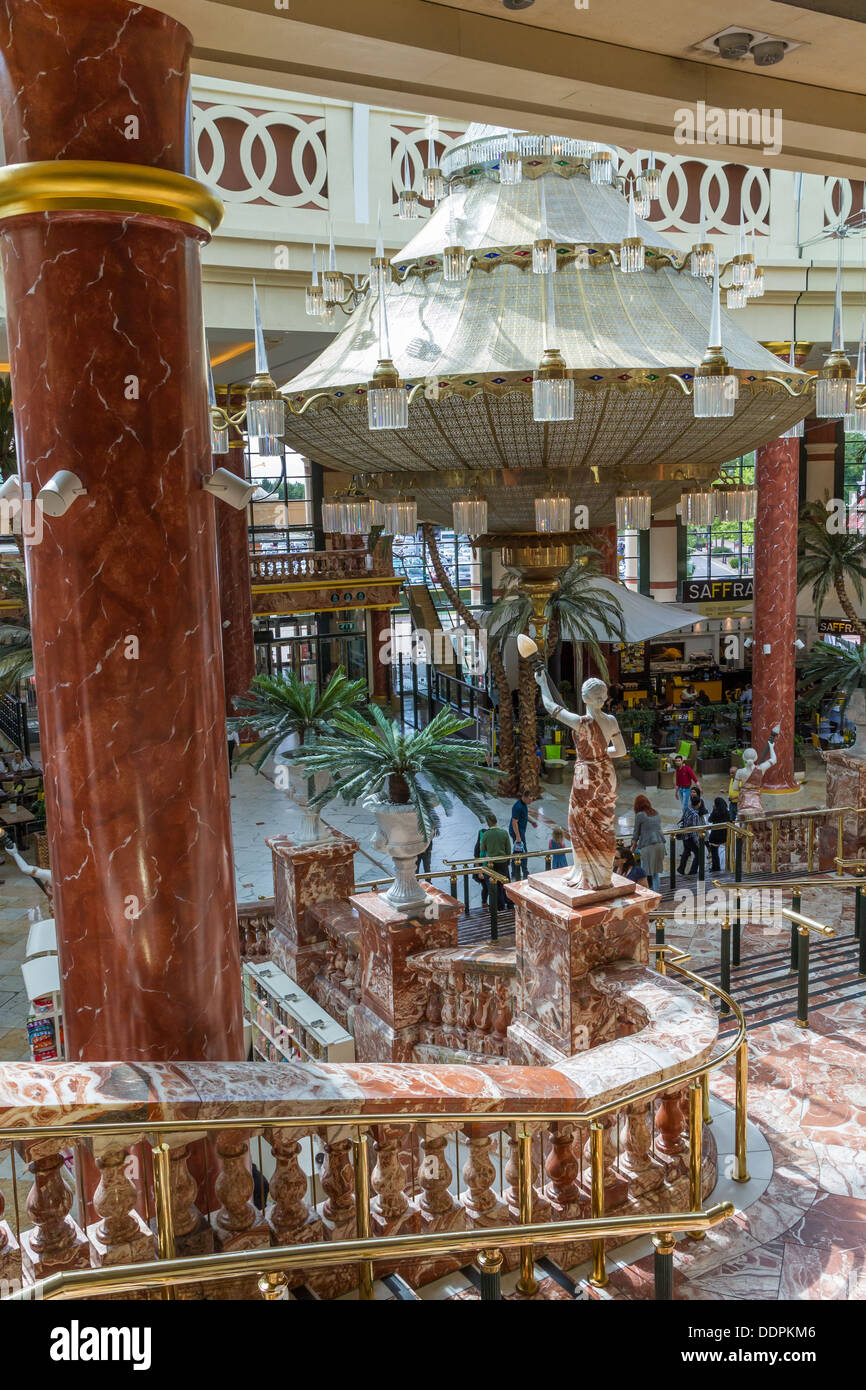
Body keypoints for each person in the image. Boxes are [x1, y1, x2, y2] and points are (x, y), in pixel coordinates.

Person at [532, 662, 628, 891]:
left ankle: (585, 873)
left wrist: (543, 683)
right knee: (603, 823)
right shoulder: (611, 721)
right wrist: (602, 754)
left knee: (580, 822)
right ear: (603, 697)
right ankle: (601, 874)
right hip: (606, 773)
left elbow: (549, 706)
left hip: (585, 774)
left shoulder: (580, 722)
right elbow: (622, 751)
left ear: (585, 698)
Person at [475, 813, 511, 910]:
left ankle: (499, 908)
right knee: (506, 884)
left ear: (488, 823)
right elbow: (508, 849)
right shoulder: (504, 833)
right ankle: (510, 906)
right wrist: (508, 861)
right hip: (503, 863)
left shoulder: (486, 834)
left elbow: (482, 849)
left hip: (491, 865)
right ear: (496, 821)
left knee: (495, 888)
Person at [630, 794, 665, 892]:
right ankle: (657, 893)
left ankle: (646, 895)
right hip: (660, 845)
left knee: (643, 873)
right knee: (655, 873)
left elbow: (635, 834)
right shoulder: (656, 813)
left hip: (648, 846)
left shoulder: (640, 815)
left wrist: (632, 846)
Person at [677, 787, 704, 876]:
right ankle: (692, 872)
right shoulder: (695, 814)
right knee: (699, 854)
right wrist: (698, 842)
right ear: (699, 803)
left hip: (685, 835)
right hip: (690, 837)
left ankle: (681, 869)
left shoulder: (688, 808)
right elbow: (694, 830)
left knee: (686, 852)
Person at [509, 792, 536, 881]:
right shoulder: (518, 807)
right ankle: (522, 872)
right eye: (530, 799)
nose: (531, 801)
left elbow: (524, 816)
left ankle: (520, 872)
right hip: (517, 832)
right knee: (522, 852)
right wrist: (518, 836)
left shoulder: (524, 804)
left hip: (521, 832)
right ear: (525, 797)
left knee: (519, 852)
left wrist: (532, 822)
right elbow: (514, 822)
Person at [708, 795, 729, 873]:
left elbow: (710, 820)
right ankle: (716, 867)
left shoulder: (716, 813)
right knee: (715, 852)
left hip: (715, 836)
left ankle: (716, 868)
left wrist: (713, 810)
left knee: (714, 853)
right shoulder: (727, 812)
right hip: (724, 835)